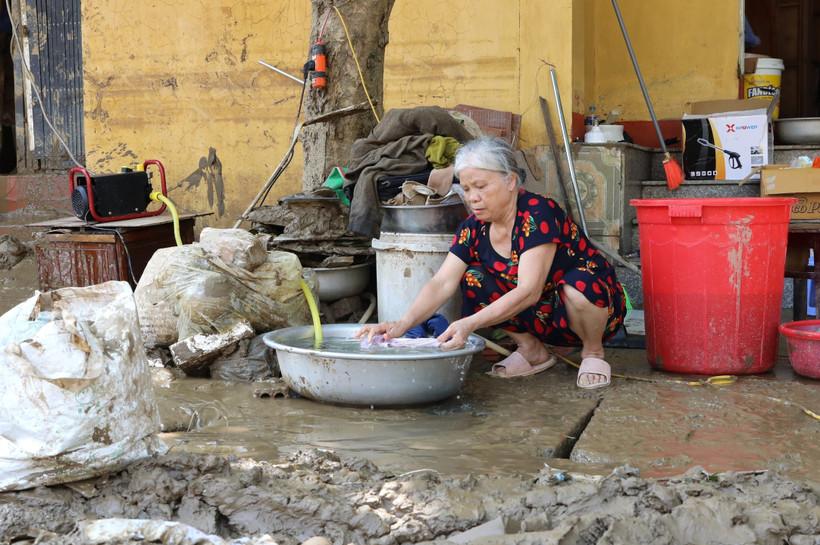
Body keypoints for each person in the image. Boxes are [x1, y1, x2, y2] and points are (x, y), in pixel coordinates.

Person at [356, 136, 626, 388]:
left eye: (481, 186)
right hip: (540, 319)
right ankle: (531, 350)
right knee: (473, 277)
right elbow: (442, 282)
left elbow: (529, 291)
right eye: (466, 188)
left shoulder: (538, 212)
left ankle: (593, 351)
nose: (472, 197)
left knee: (579, 284)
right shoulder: (473, 227)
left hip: (587, 311)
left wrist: (469, 324)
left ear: (510, 182)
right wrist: (401, 325)